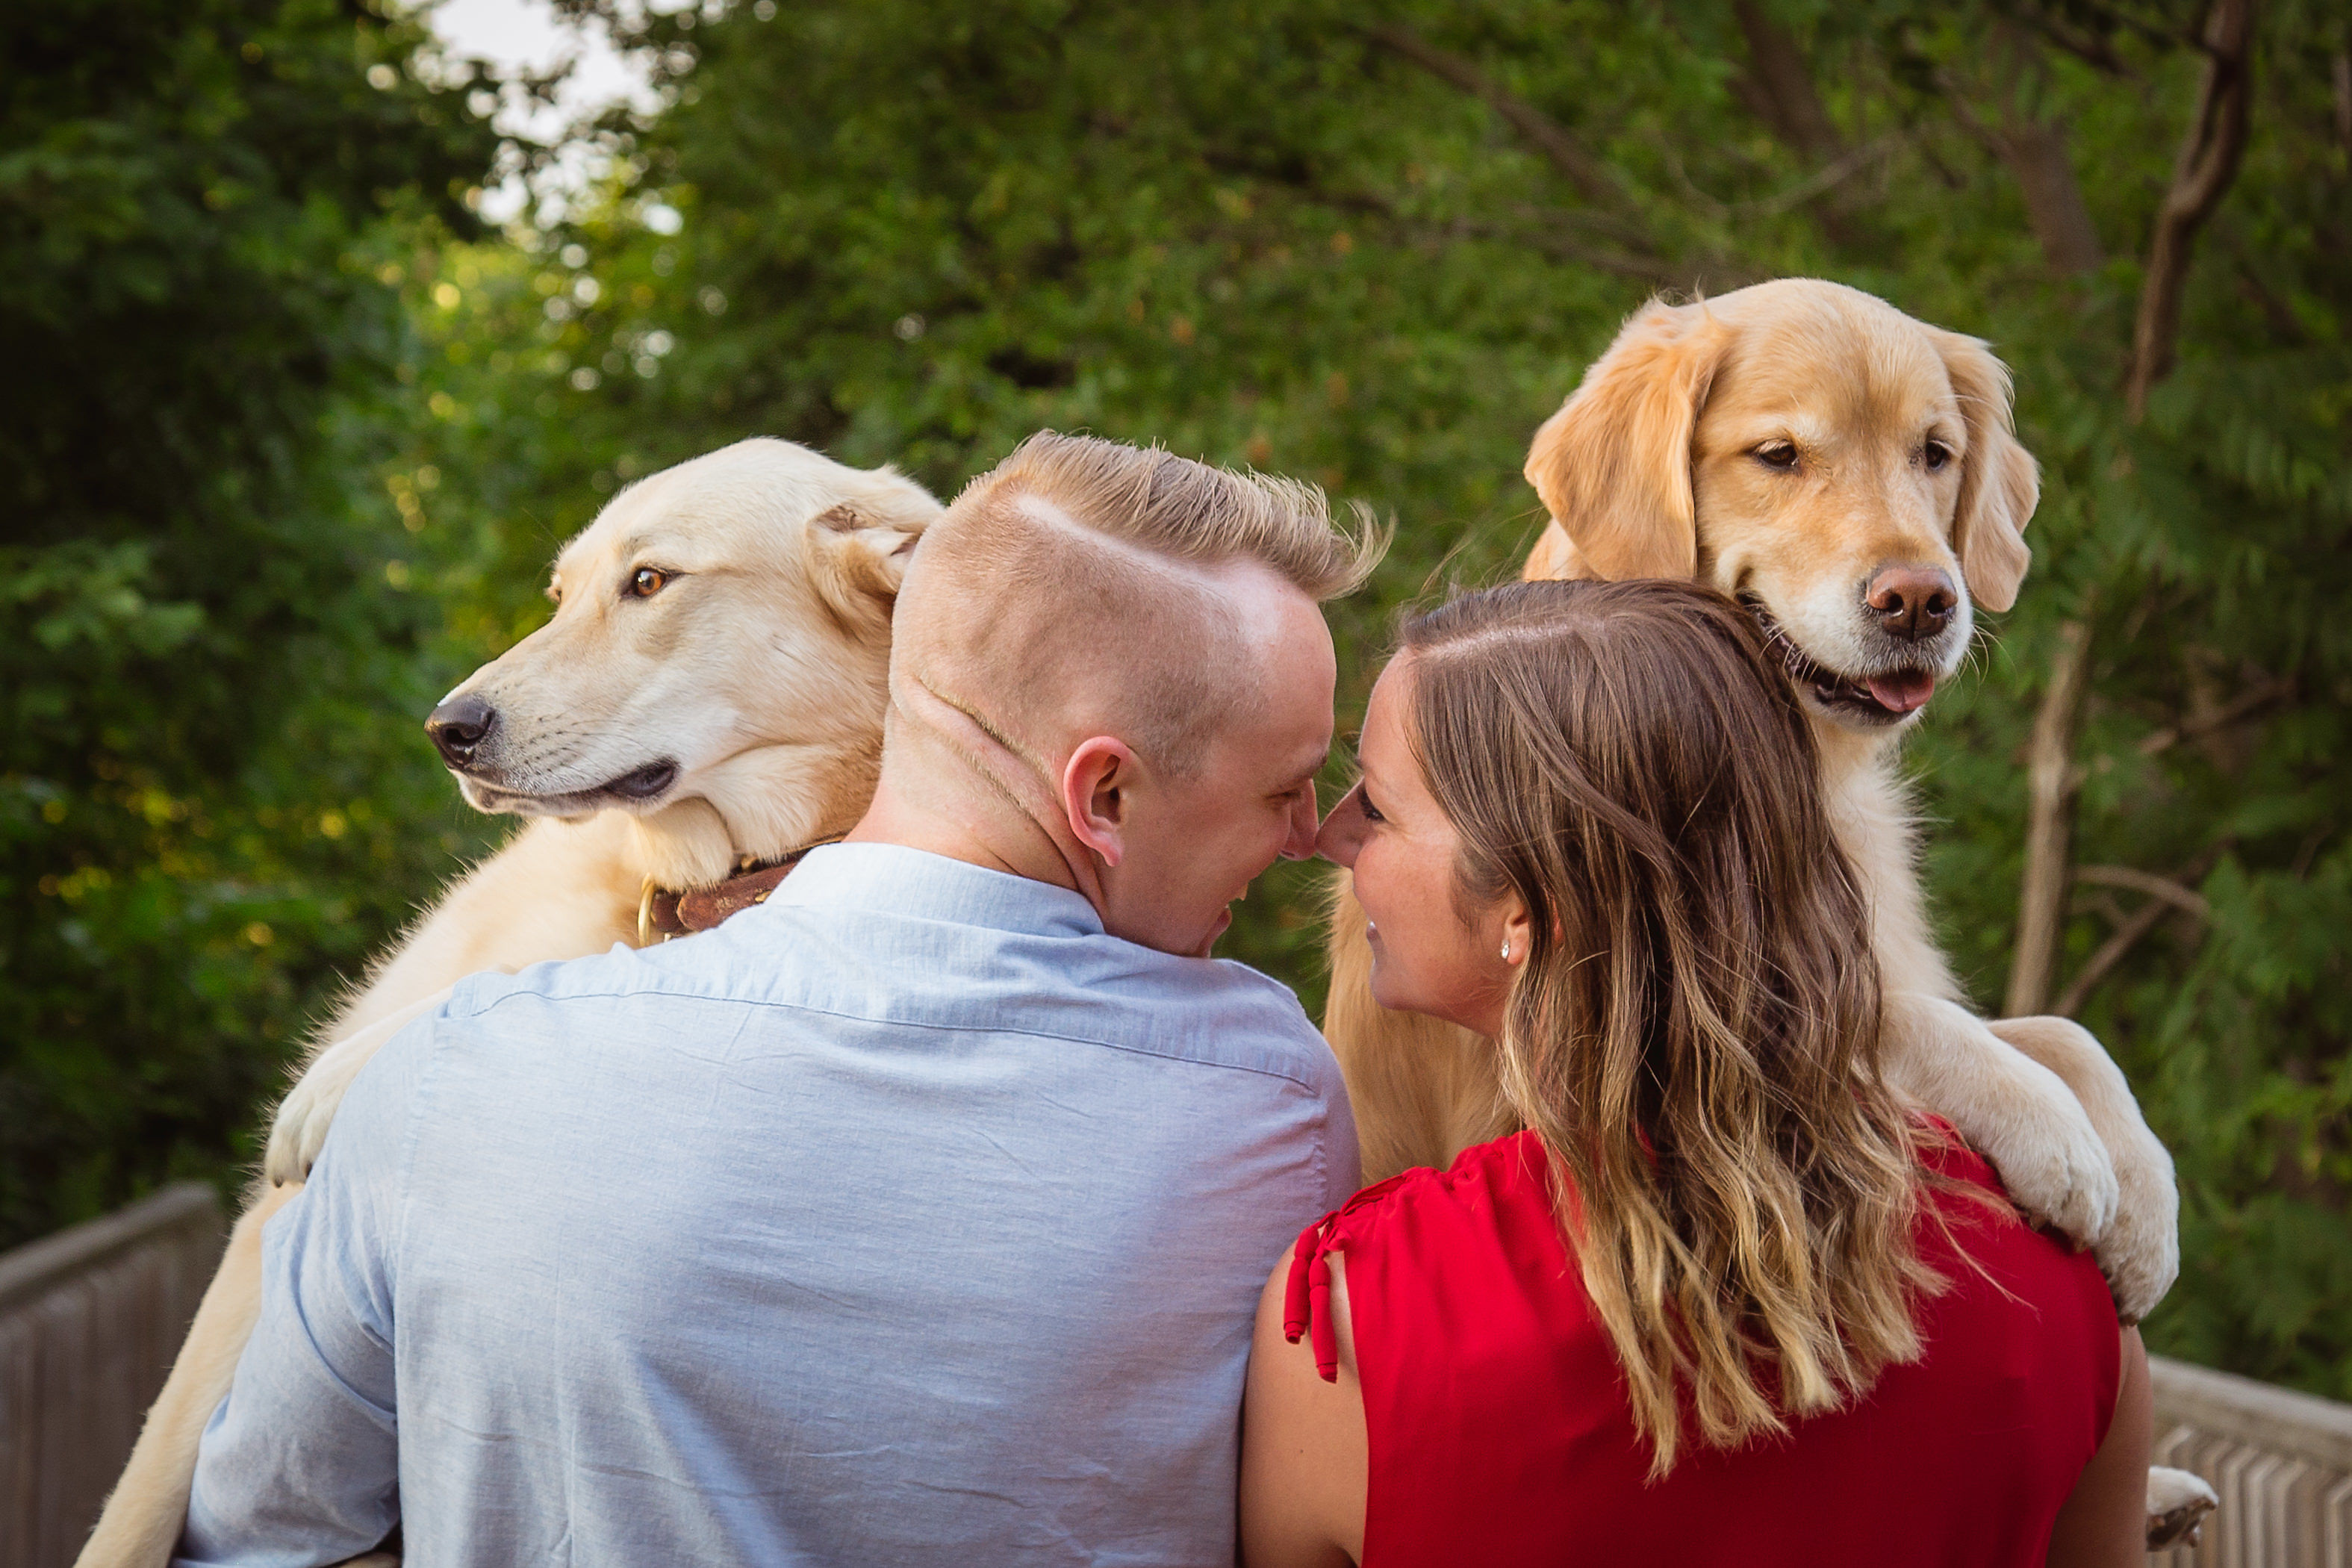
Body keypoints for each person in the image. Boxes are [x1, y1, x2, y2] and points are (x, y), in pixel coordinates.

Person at [173, 433, 1381, 1567]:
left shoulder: (446, 1072)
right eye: (1288, 787)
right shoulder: (1269, 1096)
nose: (1312, 836)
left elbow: (259, 1534)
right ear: (1101, 796)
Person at [1240, 579, 2150, 1567]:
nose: (1330, 837)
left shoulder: (1347, 1327)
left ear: (1524, 902)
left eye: (1377, 807)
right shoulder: (2057, 1286)